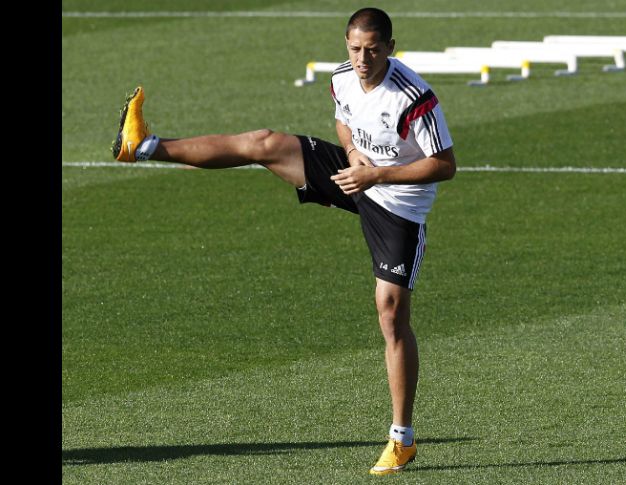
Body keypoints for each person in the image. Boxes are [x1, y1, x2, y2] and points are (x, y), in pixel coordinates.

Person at [111, 7, 455, 475]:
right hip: (356, 173)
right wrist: (353, 154)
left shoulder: (415, 97)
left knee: (391, 315)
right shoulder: (342, 77)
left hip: (397, 204)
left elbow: (444, 165)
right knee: (263, 143)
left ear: (391, 49)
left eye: (373, 50)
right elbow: (344, 121)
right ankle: (144, 145)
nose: (362, 59)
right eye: (355, 49)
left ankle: (402, 439)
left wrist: (376, 174)